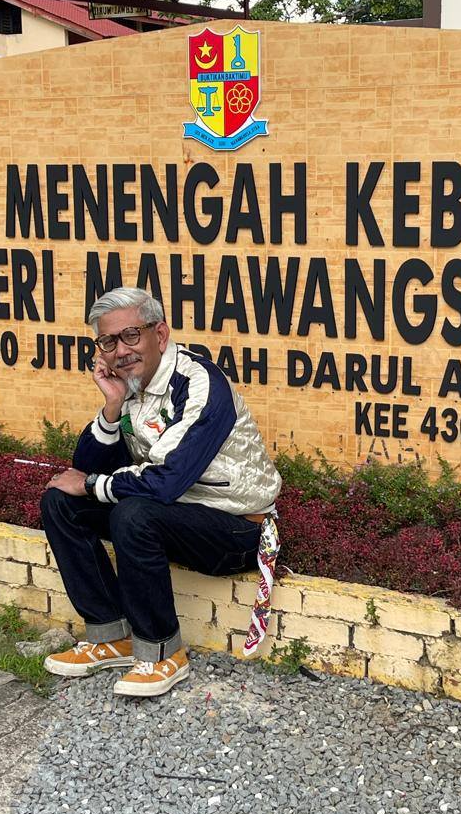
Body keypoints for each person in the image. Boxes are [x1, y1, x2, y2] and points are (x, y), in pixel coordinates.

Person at [41, 287, 282, 697]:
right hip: (173, 518)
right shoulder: (130, 386)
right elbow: (86, 470)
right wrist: (112, 407)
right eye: (108, 341)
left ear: (161, 334)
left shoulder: (199, 382)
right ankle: (112, 637)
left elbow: (168, 480)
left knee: (132, 512)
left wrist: (92, 484)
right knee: (61, 503)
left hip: (237, 529)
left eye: (131, 335)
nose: (121, 351)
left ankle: (162, 653)